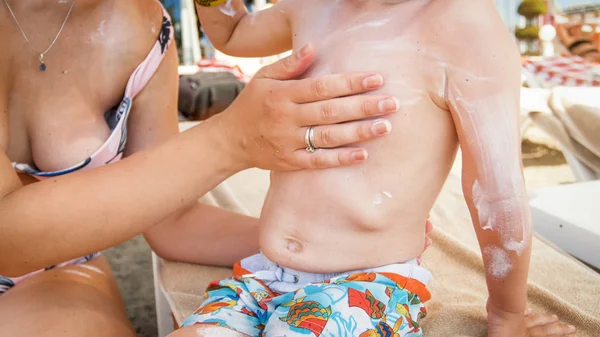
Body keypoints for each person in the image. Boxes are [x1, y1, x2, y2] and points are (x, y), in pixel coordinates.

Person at [0, 0, 408, 336]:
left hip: (57, 276)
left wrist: (330, 241)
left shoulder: (143, 24)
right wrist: (229, 139)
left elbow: (172, 220)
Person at [173, 1, 578, 336]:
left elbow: (498, 192)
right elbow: (232, 33)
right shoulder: (313, 5)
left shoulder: (461, 22)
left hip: (364, 286)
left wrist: (507, 314)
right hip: (262, 277)